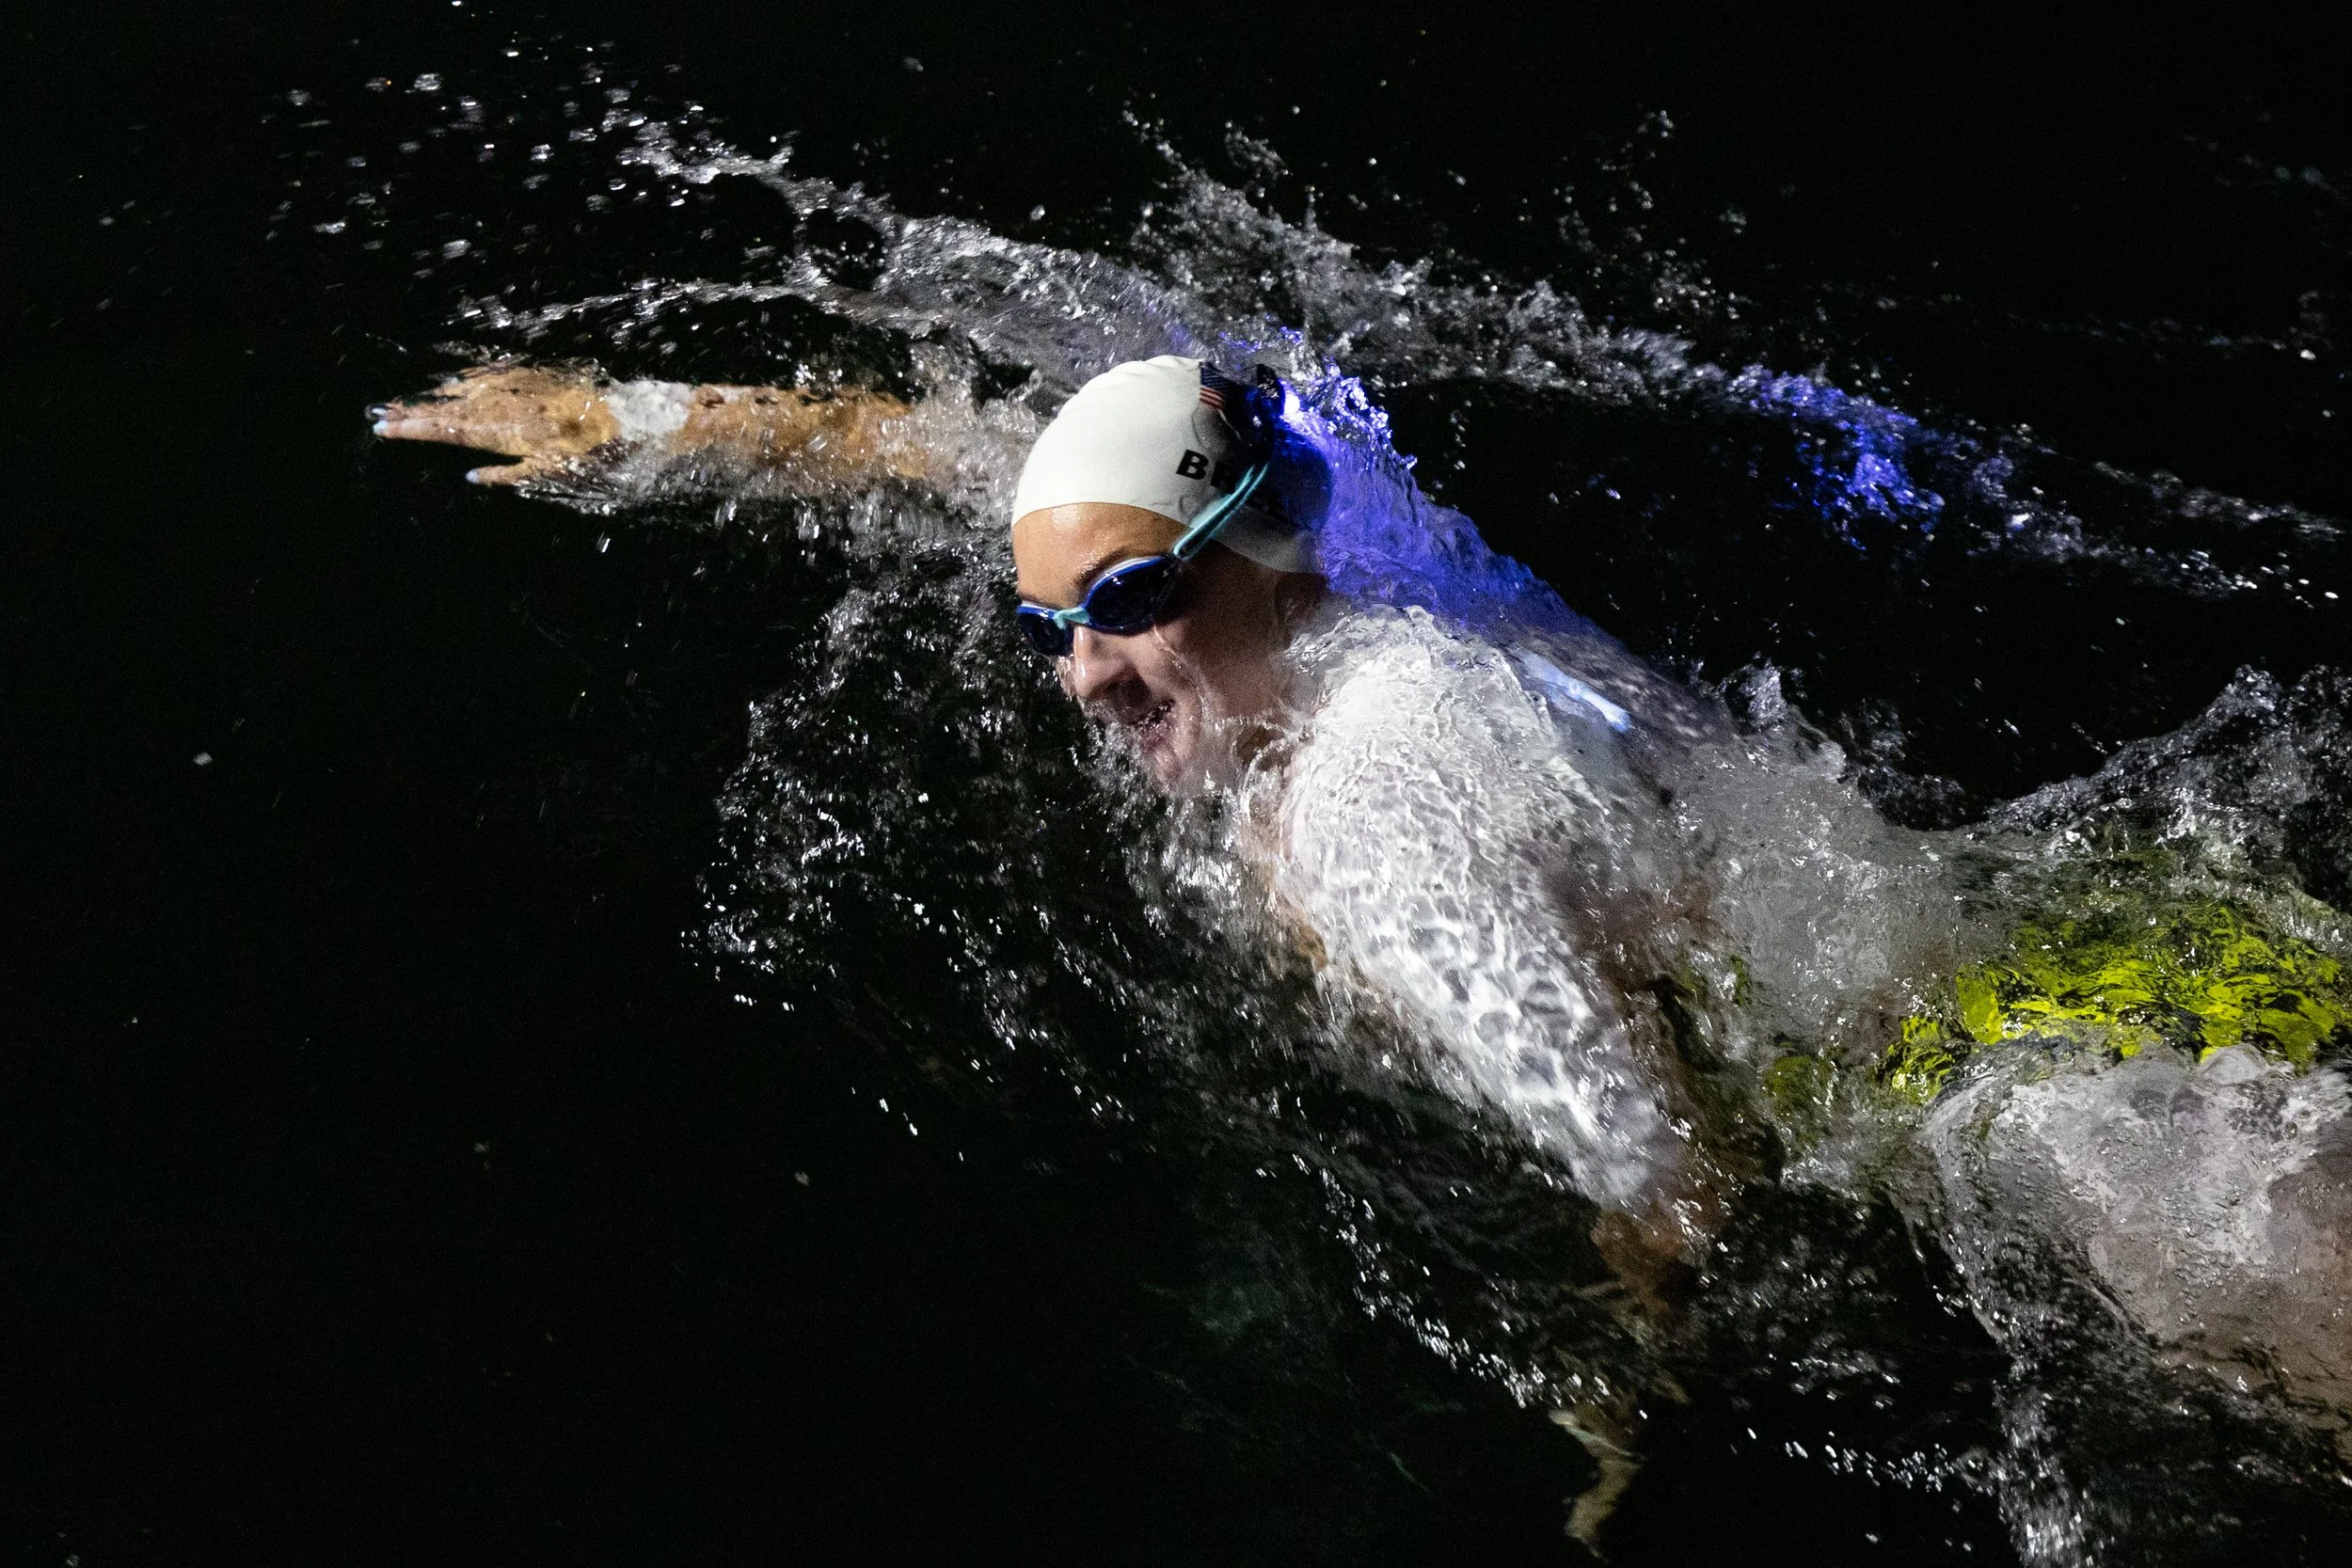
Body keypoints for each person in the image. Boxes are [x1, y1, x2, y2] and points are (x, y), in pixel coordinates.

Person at [374, 352, 2352, 1505]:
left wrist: (1614, 1406)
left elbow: (1669, 1174)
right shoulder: (1367, 541)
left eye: (1125, 603)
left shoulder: (1375, 813)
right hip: (2086, 929)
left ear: (1240, 548)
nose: (1080, 671)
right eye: (1044, 618)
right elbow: (1022, 470)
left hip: (2052, 1120)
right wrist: (667, 422)